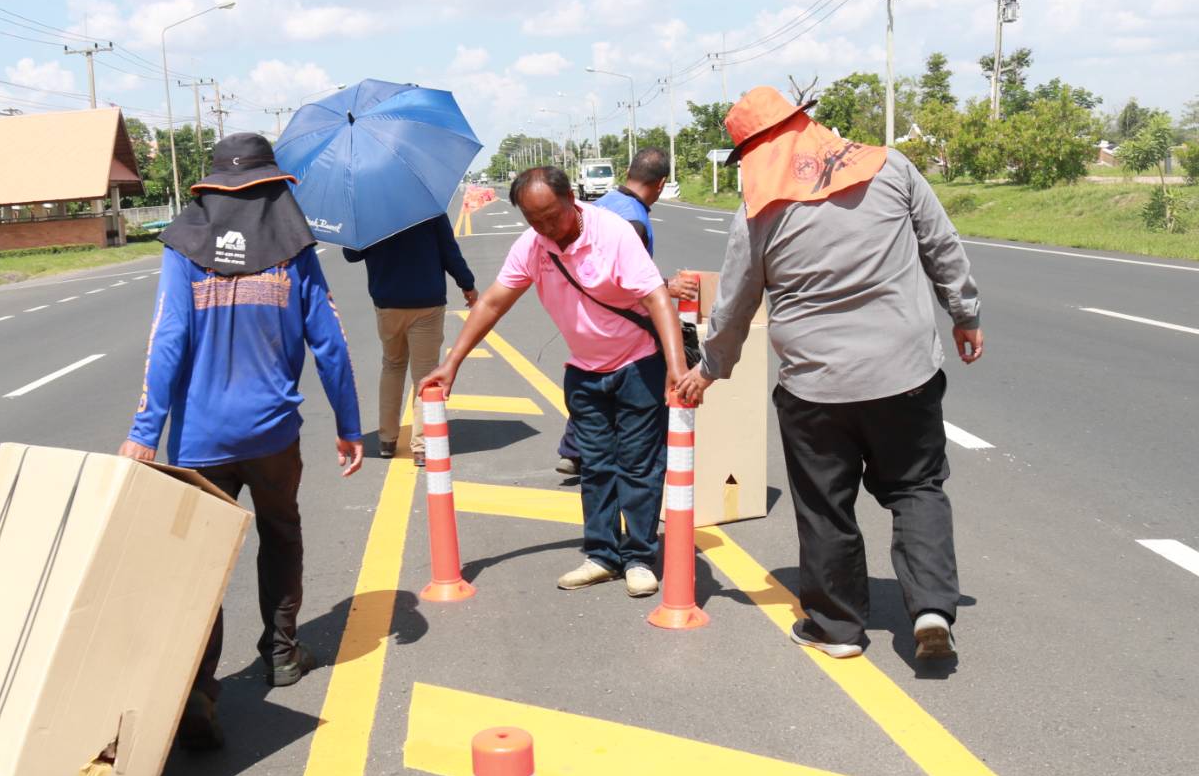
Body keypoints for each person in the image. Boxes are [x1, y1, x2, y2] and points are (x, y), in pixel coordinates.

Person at [675, 87, 983, 662]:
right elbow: (942, 245)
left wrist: (710, 368)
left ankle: (837, 628)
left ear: (750, 151)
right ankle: (932, 609)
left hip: (815, 388)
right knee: (916, 487)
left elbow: (735, 304)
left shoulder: (758, 210)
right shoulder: (890, 167)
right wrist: (964, 314)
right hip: (905, 375)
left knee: (825, 505)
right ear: (805, 123)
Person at [119, 132, 364, 748]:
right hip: (273, 434)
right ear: (272, 188)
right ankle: (282, 653)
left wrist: (144, 433)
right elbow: (330, 344)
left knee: (200, 561)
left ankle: (200, 689)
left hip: (199, 441)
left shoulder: (184, 247)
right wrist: (348, 425)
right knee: (280, 533)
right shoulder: (292, 248)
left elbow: (167, 340)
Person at [420, 166, 688, 598]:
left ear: (572, 200)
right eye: (534, 219)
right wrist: (452, 363)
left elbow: (657, 297)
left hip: (639, 365)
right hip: (584, 372)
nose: (546, 227)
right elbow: (493, 303)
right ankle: (602, 556)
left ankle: (639, 557)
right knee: (596, 467)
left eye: (552, 216)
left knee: (639, 466)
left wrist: (675, 367)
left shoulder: (612, 233)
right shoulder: (532, 246)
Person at [556, 147, 698, 476]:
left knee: (592, 381)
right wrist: (666, 286)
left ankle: (574, 451)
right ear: (661, 184)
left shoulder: (604, 203)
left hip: (585, 316)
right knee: (632, 389)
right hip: (620, 319)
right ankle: (624, 459)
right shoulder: (634, 219)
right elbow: (619, 274)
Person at [343, 214, 478, 467]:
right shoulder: (429, 208)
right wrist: (467, 285)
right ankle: (422, 447)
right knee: (425, 375)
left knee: (392, 366)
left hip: (387, 303)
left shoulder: (368, 211)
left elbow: (351, 254)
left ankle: (387, 440)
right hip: (427, 302)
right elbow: (449, 252)